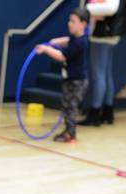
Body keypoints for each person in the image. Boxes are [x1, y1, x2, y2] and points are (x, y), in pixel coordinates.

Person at [35, 7, 90, 143]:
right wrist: (55, 41)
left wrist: (47, 49)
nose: (69, 23)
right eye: (69, 21)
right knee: (66, 107)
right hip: (69, 79)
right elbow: (67, 40)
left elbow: (61, 56)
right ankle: (68, 131)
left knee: (71, 108)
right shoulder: (75, 38)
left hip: (77, 82)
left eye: (73, 21)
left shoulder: (80, 43)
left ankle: (71, 134)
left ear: (83, 24)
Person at [80, 0, 126, 126]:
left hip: (102, 34)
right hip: (109, 34)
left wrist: (88, 8)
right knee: (106, 75)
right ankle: (108, 112)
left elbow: (111, 8)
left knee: (99, 76)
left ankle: (94, 113)